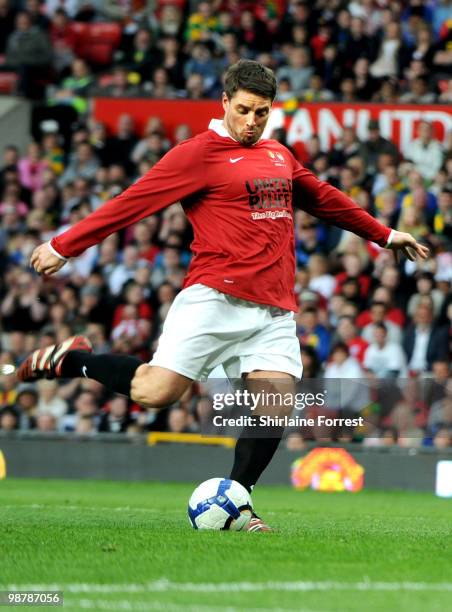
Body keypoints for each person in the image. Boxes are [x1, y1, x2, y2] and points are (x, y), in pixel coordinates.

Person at [16, 60, 428, 531]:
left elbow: (324, 198)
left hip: (272, 310)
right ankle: (75, 358)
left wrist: (384, 233)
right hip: (213, 299)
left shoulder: (278, 155)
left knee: (275, 405)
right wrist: (62, 246)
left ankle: (239, 502)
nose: (253, 121)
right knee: (155, 392)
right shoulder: (197, 154)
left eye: (263, 113)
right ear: (226, 102)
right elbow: (130, 203)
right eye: (246, 110)